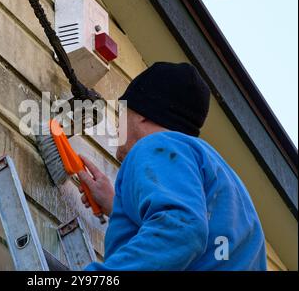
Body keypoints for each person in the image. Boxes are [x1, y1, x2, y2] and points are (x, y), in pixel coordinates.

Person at [79, 62, 267, 271]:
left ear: (143, 113)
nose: (117, 124)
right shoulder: (225, 180)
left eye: (122, 112)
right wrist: (118, 206)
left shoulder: (155, 146)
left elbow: (182, 229)